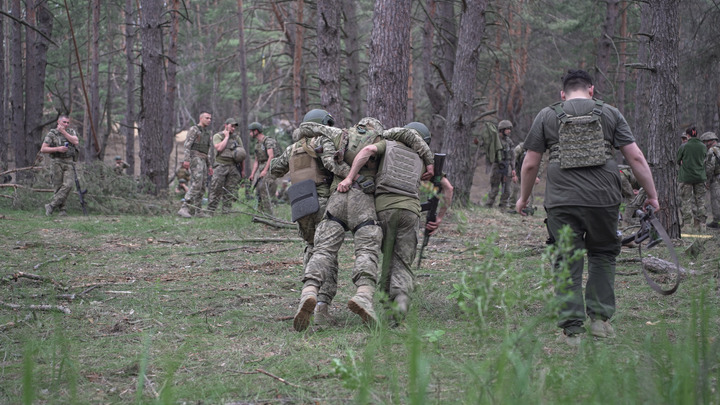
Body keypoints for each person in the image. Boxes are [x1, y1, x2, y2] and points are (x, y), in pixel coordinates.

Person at [516, 69, 659, 345]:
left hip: (561, 200)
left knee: (567, 258)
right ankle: (600, 322)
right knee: (603, 253)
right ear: (591, 90)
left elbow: (531, 163)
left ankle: (572, 331)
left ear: (563, 94)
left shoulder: (547, 115)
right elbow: (636, 158)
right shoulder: (610, 113)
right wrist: (651, 195)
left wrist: (523, 198)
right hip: (603, 199)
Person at [292, 117, 434, 332]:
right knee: (367, 250)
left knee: (323, 250)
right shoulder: (384, 139)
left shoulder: (339, 135)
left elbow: (304, 129)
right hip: (364, 201)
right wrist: (429, 160)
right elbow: (408, 136)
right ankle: (364, 295)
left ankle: (310, 292)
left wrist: (346, 175)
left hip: (336, 198)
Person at [337, 121, 452, 324]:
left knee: (388, 255)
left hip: (383, 210)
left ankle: (383, 301)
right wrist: (440, 217)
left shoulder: (387, 145)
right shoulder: (425, 160)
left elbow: (367, 150)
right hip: (410, 212)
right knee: (402, 260)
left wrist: (349, 177)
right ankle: (399, 301)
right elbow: (448, 188)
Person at [270, 109, 343, 324]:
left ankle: (307, 295)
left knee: (311, 248)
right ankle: (321, 306)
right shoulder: (323, 144)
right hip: (321, 202)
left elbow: (275, 168)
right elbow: (335, 166)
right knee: (326, 253)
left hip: (300, 205)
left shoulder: (293, 148)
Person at [41, 116, 80, 216]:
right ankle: (62, 210)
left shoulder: (71, 132)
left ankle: (51, 205)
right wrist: (58, 149)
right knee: (58, 187)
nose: (66, 124)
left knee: (68, 185)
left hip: (69, 162)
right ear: (58, 122)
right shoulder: (52, 133)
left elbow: (75, 141)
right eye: (64, 122)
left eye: (67, 123)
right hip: (56, 162)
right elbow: (44, 149)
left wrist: (64, 132)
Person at [177, 112, 214, 218]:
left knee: (202, 186)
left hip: (203, 159)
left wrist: (210, 166)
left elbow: (207, 151)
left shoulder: (207, 133)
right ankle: (184, 207)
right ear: (201, 118)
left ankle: (198, 211)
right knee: (197, 183)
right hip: (195, 158)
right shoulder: (194, 129)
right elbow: (187, 145)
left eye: (210, 118)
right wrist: (186, 160)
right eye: (207, 118)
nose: (209, 120)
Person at [207, 118, 245, 215]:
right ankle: (210, 211)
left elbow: (242, 154)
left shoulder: (237, 138)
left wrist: (243, 170)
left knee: (230, 190)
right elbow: (219, 148)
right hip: (220, 166)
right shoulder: (218, 136)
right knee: (216, 189)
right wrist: (227, 137)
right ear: (226, 125)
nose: (233, 128)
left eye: (234, 127)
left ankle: (226, 211)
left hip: (233, 166)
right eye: (231, 126)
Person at [677, 126, 708, 232]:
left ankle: (687, 225)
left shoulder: (684, 146)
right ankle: (702, 225)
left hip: (686, 178)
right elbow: (705, 160)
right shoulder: (703, 146)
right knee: (701, 201)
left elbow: (678, 160)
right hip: (700, 177)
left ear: (688, 135)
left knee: (686, 201)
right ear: (697, 134)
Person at [248, 122, 277, 214]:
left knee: (264, 190)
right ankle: (261, 214)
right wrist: (252, 174)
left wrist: (265, 171)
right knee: (259, 191)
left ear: (256, 131)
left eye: (251, 131)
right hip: (261, 170)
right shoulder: (257, 144)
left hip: (270, 169)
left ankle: (269, 216)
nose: (250, 134)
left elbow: (271, 156)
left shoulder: (268, 141)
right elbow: (257, 160)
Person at [485, 120, 514, 208]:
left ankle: (503, 207)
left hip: (507, 166)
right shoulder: (495, 140)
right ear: (502, 130)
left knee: (507, 190)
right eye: (507, 129)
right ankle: (488, 206)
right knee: (495, 189)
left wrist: (513, 168)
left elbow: (512, 156)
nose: (509, 131)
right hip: (497, 166)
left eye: (510, 129)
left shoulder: (509, 142)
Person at [508, 141, 542, 214]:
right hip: (518, 171)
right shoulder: (519, 149)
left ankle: (528, 208)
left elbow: (540, 163)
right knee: (515, 188)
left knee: (530, 190)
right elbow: (512, 161)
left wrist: (537, 176)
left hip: (530, 172)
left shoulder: (536, 149)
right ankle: (512, 206)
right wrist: (513, 174)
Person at [701, 132, 720, 229]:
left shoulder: (712, 151)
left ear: (710, 141)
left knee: (716, 200)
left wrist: (707, 181)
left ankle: (717, 222)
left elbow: (709, 167)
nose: (704, 144)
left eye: (705, 142)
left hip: (716, 178)